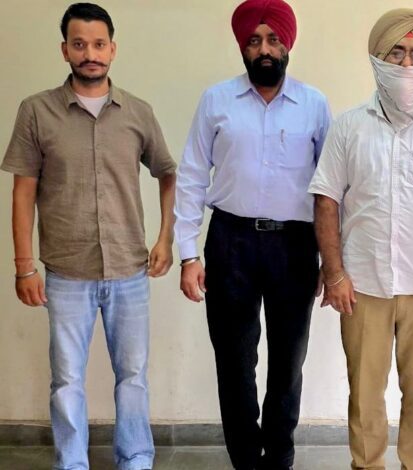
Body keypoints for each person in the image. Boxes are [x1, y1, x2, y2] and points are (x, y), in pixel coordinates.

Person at [1, 3, 177, 469]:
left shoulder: (137, 112)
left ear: (113, 49)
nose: (90, 54)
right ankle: (72, 462)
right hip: (66, 272)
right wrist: (24, 266)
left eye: (99, 44)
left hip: (129, 271)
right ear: (65, 50)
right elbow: (23, 192)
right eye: (79, 44)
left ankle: (135, 458)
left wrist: (166, 238)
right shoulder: (36, 111)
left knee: (133, 376)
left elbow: (168, 173)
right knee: (66, 380)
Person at [308, 8, 413, 469]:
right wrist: (335, 274)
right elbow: (326, 201)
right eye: (396, 53)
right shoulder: (348, 127)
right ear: (377, 59)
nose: (407, 65)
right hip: (362, 286)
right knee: (364, 396)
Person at [173, 0, 331, 468]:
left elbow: (331, 189)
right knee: (234, 361)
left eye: (273, 40)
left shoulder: (314, 104)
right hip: (231, 242)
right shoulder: (216, 100)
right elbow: (191, 176)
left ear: (287, 45)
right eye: (255, 41)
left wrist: (332, 260)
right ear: (243, 47)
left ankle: (279, 458)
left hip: (295, 246)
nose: (265, 50)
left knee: (288, 362)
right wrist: (188, 255)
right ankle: (244, 459)